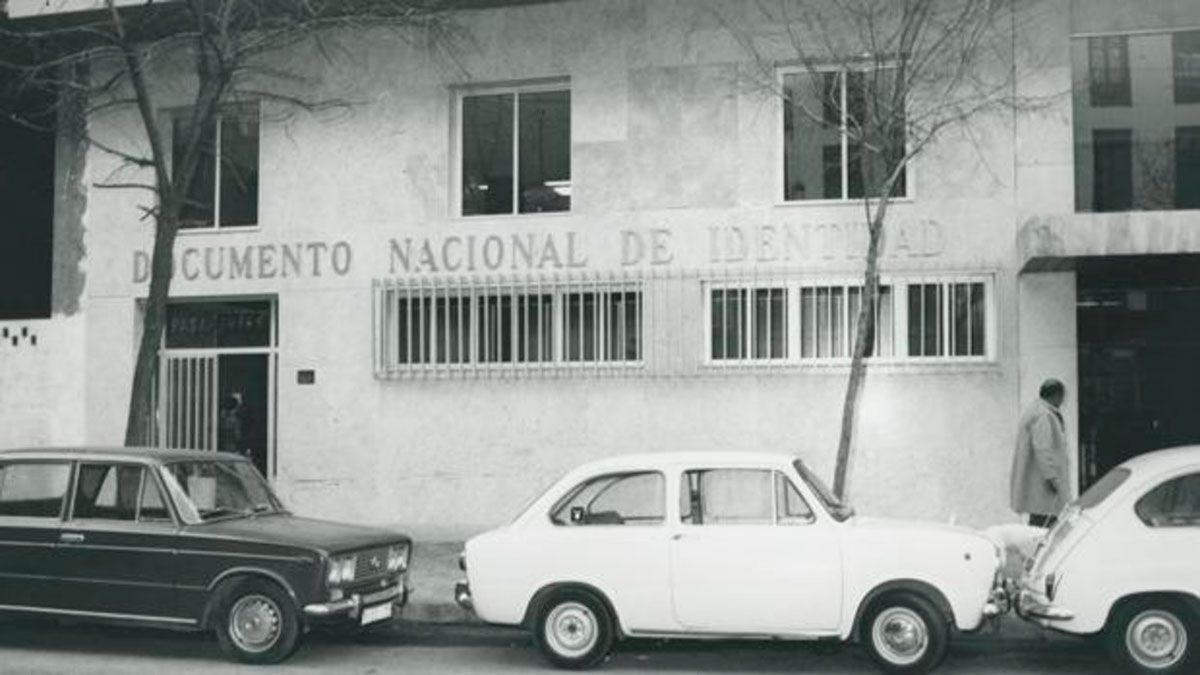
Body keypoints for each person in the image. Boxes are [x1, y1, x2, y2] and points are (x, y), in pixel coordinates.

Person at [1011, 379, 1072, 527]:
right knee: (1044, 527)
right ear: (1056, 395)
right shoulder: (1043, 415)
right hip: (1044, 486)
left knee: (1040, 523)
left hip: (1040, 485)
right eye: (1062, 396)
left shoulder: (1037, 410)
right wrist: (1052, 478)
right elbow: (1043, 449)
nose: (1063, 401)